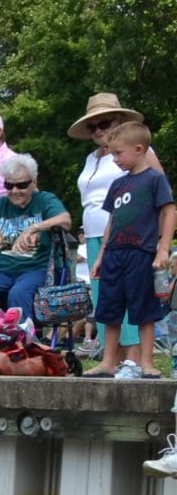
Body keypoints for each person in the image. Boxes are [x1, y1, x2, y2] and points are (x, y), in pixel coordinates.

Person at [89, 121, 176, 379]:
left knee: (143, 309)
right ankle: (107, 361)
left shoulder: (154, 179)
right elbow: (111, 221)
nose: (114, 159)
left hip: (141, 252)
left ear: (138, 149)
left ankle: (146, 362)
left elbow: (169, 211)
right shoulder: (117, 184)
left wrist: (163, 250)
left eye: (118, 153)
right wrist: (101, 256)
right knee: (110, 307)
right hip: (115, 253)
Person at [0, 155, 71, 340]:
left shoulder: (44, 200)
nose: (15, 191)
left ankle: (22, 345)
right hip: (1, 269)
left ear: (34, 182)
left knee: (18, 293)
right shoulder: (1, 204)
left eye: (21, 185)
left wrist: (36, 227)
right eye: (9, 186)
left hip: (37, 268)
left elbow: (65, 220)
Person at [74, 93, 148, 357]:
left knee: (126, 297)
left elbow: (156, 186)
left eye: (104, 123)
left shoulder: (140, 150)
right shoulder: (92, 158)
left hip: (126, 233)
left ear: (120, 121)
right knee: (104, 298)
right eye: (92, 126)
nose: (98, 131)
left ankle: (133, 361)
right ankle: (111, 359)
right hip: (94, 233)